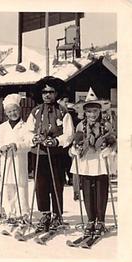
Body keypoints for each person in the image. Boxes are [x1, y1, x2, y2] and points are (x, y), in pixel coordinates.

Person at [26, 76, 74, 233]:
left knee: (56, 184)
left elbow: (69, 134)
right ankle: (45, 214)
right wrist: (34, 138)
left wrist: (56, 141)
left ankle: (57, 214)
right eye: (44, 92)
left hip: (56, 154)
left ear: (56, 93)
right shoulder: (36, 111)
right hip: (39, 153)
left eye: (51, 92)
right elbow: (27, 131)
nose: (47, 95)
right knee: (40, 185)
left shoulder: (63, 111)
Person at [70, 88, 116, 236]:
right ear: (84, 112)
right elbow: (76, 142)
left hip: (100, 161)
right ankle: (91, 220)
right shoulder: (80, 126)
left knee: (101, 189)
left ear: (99, 112)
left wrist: (110, 150)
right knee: (88, 190)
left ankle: (100, 220)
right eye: (89, 111)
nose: (92, 115)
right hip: (86, 161)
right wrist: (75, 149)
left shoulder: (106, 125)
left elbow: (113, 141)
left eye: (95, 111)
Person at [0, 94, 32, 223]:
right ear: (6, 113)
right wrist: (1, 148)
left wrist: (17, 145)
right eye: (9, 111)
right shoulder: (2, 127)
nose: (12, 113)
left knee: (21, 187)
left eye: (14, 110)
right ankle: (10, 213)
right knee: (8, 187)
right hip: (6, 160)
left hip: (19, 160)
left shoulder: (26, 126)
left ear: (19, 110)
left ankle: (23, 213)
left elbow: (29, 144)